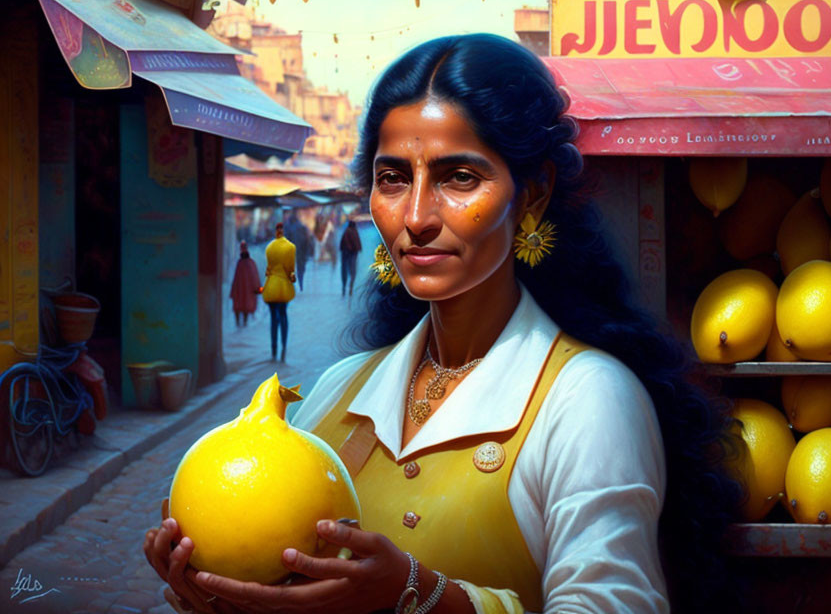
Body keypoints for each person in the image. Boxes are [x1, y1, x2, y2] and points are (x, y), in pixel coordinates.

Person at [145, 34, 742, 614]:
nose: (416, 216)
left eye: (459, 177)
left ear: (532, 193)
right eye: (394, 177)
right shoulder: (337, 391)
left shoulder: (587, 398)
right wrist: (223, 591)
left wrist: (417, 594)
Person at [261, 222, 296, 361]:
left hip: (271, 286)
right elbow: (290, 270)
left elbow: (268, 269)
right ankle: (284, 346)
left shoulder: (269, 247)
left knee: (273, 319)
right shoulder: (290, 247)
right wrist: (292, 278)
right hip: (283, 287)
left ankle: (273, 348)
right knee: (283, 316)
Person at [228, 240, 260, 327]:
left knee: (238, 306)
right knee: (246, 306)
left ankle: (238, 324)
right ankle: (244, 324)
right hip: (248, 291)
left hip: (239, 290)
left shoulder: (240, 263)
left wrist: (233, 291)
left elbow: (236, 279)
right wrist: (257, 289)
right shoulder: (251, 263)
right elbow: (255, 277)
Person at [339, 220, 363, 297]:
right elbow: (358, 244)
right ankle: (350, 288)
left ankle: (344, 287)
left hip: (345, 254)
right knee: (352, 272)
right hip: (352, 254)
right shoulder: (354, 232)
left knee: (345, 271)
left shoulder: (346, 232)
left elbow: (342, 244)